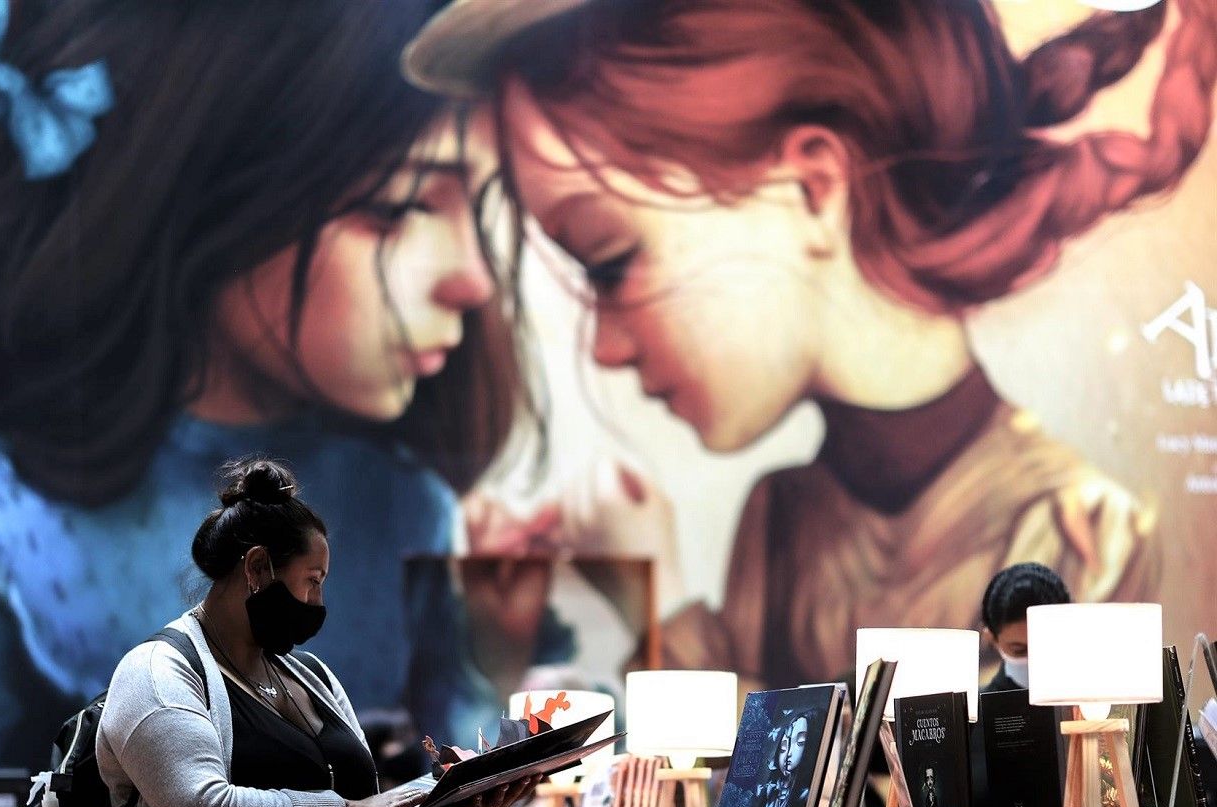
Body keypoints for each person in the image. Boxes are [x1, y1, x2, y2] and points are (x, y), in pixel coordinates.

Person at [0, 0, 558, 768]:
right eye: (397, 208)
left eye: (480, 209)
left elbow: (447, 779)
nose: (473, 279)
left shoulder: (405, 501)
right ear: (206, 191)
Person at [403, 0, 1217, 689]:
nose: (606, 348)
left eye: (610, 261)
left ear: (812, 186)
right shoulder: (785, 511)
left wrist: (669, 592)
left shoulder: (1080, 534)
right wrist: (618, 581)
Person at [97, 459, 533, 807]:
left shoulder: (313, 678)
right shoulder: (157, 673)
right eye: (313, 580)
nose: (317, 603)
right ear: (258, 568)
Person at [980, 562, 1072, 692]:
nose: (1034, 661)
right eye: (1020, 650)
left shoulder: (1094, 703)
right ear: (992, 639)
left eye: (1045, 648)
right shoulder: (976, 710)